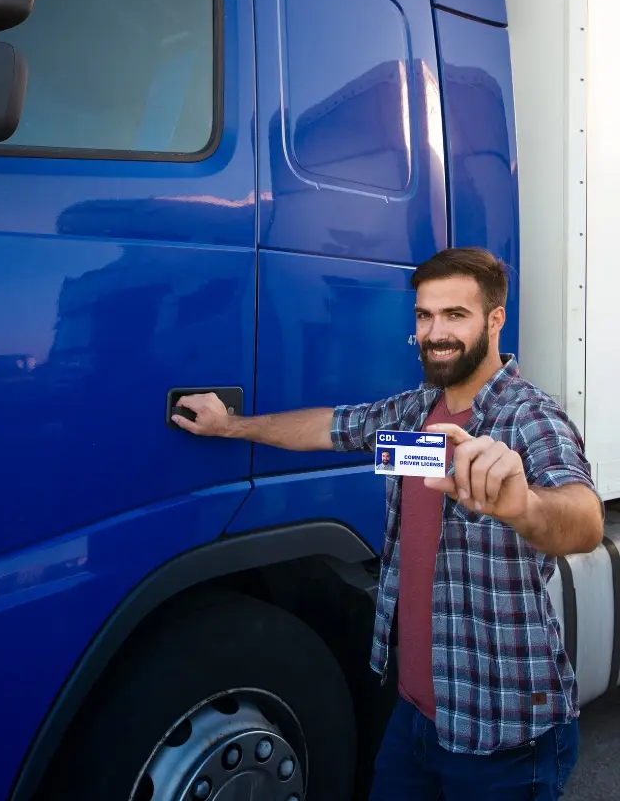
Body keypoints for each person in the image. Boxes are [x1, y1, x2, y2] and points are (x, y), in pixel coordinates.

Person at [172, 247, 604, 800]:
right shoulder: (415, 412)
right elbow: (329, 427)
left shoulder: (527, 416)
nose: (435, 332)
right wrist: (229, 426)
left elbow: (585, 519)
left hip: (501, 733)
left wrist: (525, 505)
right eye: (425, 316)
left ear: (495, 321)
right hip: (416, 717)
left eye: (455, 315)